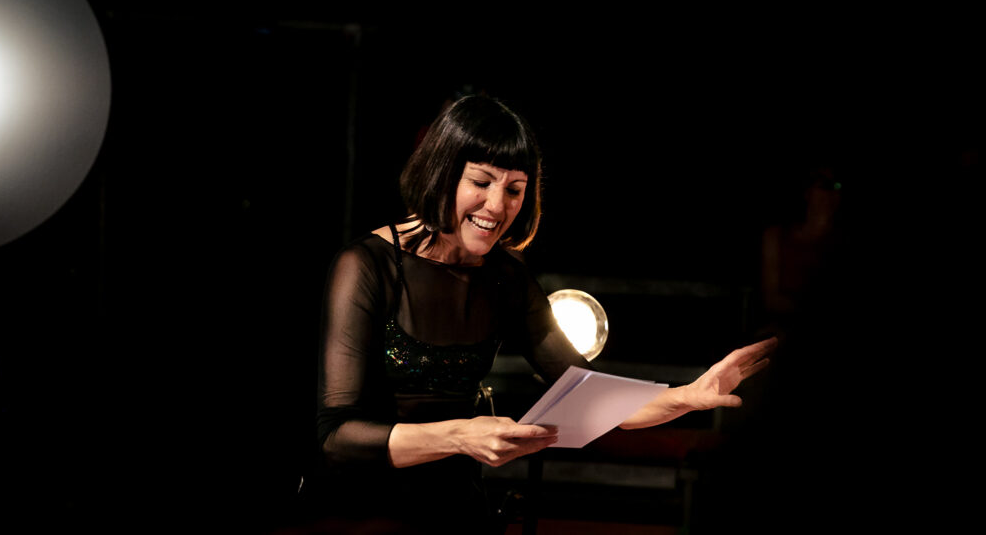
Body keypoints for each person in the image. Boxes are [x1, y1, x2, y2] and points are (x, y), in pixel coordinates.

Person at [310, 95, 776, 534]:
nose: (498, 206)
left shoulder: (505, 275)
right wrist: (458, 436)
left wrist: (687, 396)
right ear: (441, 174)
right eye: (481, 182)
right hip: (359, 513)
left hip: (454, 509)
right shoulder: (367, 265)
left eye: (515, 189)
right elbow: (336, 436)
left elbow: (586, 394)